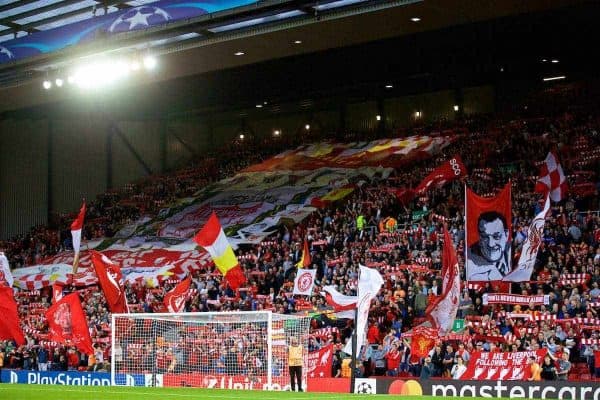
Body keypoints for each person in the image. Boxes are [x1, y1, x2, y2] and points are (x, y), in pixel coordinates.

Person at [466, 211, 511, 280]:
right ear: (479, 236)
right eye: (484, 236)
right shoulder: (469, 261)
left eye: (496, 236)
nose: (491, 244)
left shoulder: (513, 252)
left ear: (506, 235)